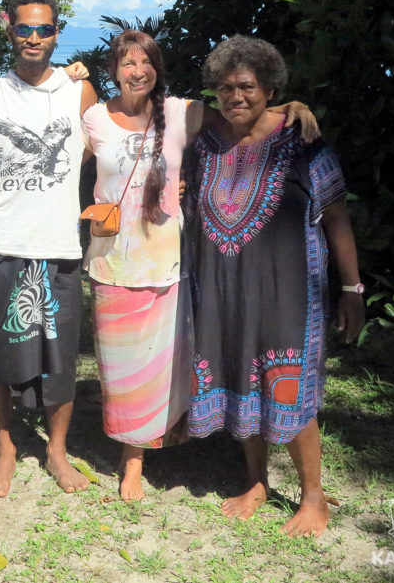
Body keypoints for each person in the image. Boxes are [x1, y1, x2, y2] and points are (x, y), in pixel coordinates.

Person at [82, 30, 319, 502]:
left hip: (171, 264)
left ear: (157, 69)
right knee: (123, 370)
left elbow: (242, 115)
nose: (137, 71)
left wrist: (292, 107)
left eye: (146, 62)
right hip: (112, 263)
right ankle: (132, 463)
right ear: (113, 71)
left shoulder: (181, 112)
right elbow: (57, 162)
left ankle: (174, 439)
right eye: (127, 63)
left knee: (166, 366)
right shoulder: (92, 117)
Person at [186, 35, 364, 537]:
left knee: (289, 387)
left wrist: (353, 288)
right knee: (243, 378)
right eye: (224, 88)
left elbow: (336, 216)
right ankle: (257, 481)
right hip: (224, 288)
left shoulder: (303, 140)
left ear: (269, 88)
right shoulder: (207, 142)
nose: (234, 96)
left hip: (288, 290)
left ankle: (313, 498)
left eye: (246, 86)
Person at [0, 0, 98, 498]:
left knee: (60, 358)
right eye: (25, 29)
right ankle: (6, 451)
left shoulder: (80, 93)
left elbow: (118, 138)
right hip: (2, 241)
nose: (34, 38)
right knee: (2, 354)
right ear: (8, 28)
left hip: (58, 242)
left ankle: (56, 452)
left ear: (57, 33)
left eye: (44, 30)